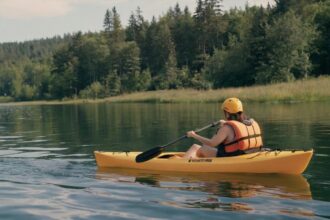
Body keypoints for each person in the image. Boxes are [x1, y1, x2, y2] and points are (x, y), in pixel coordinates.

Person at [183, 97, 263, 159]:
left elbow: (212, 143)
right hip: (249, 153)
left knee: (196, 147)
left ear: (227, 113)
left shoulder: (226, 128)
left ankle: (181, 165)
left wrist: (194, 135)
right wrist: (223, 125)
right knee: (200, 148)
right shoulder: (248, 123)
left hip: (229, 157)